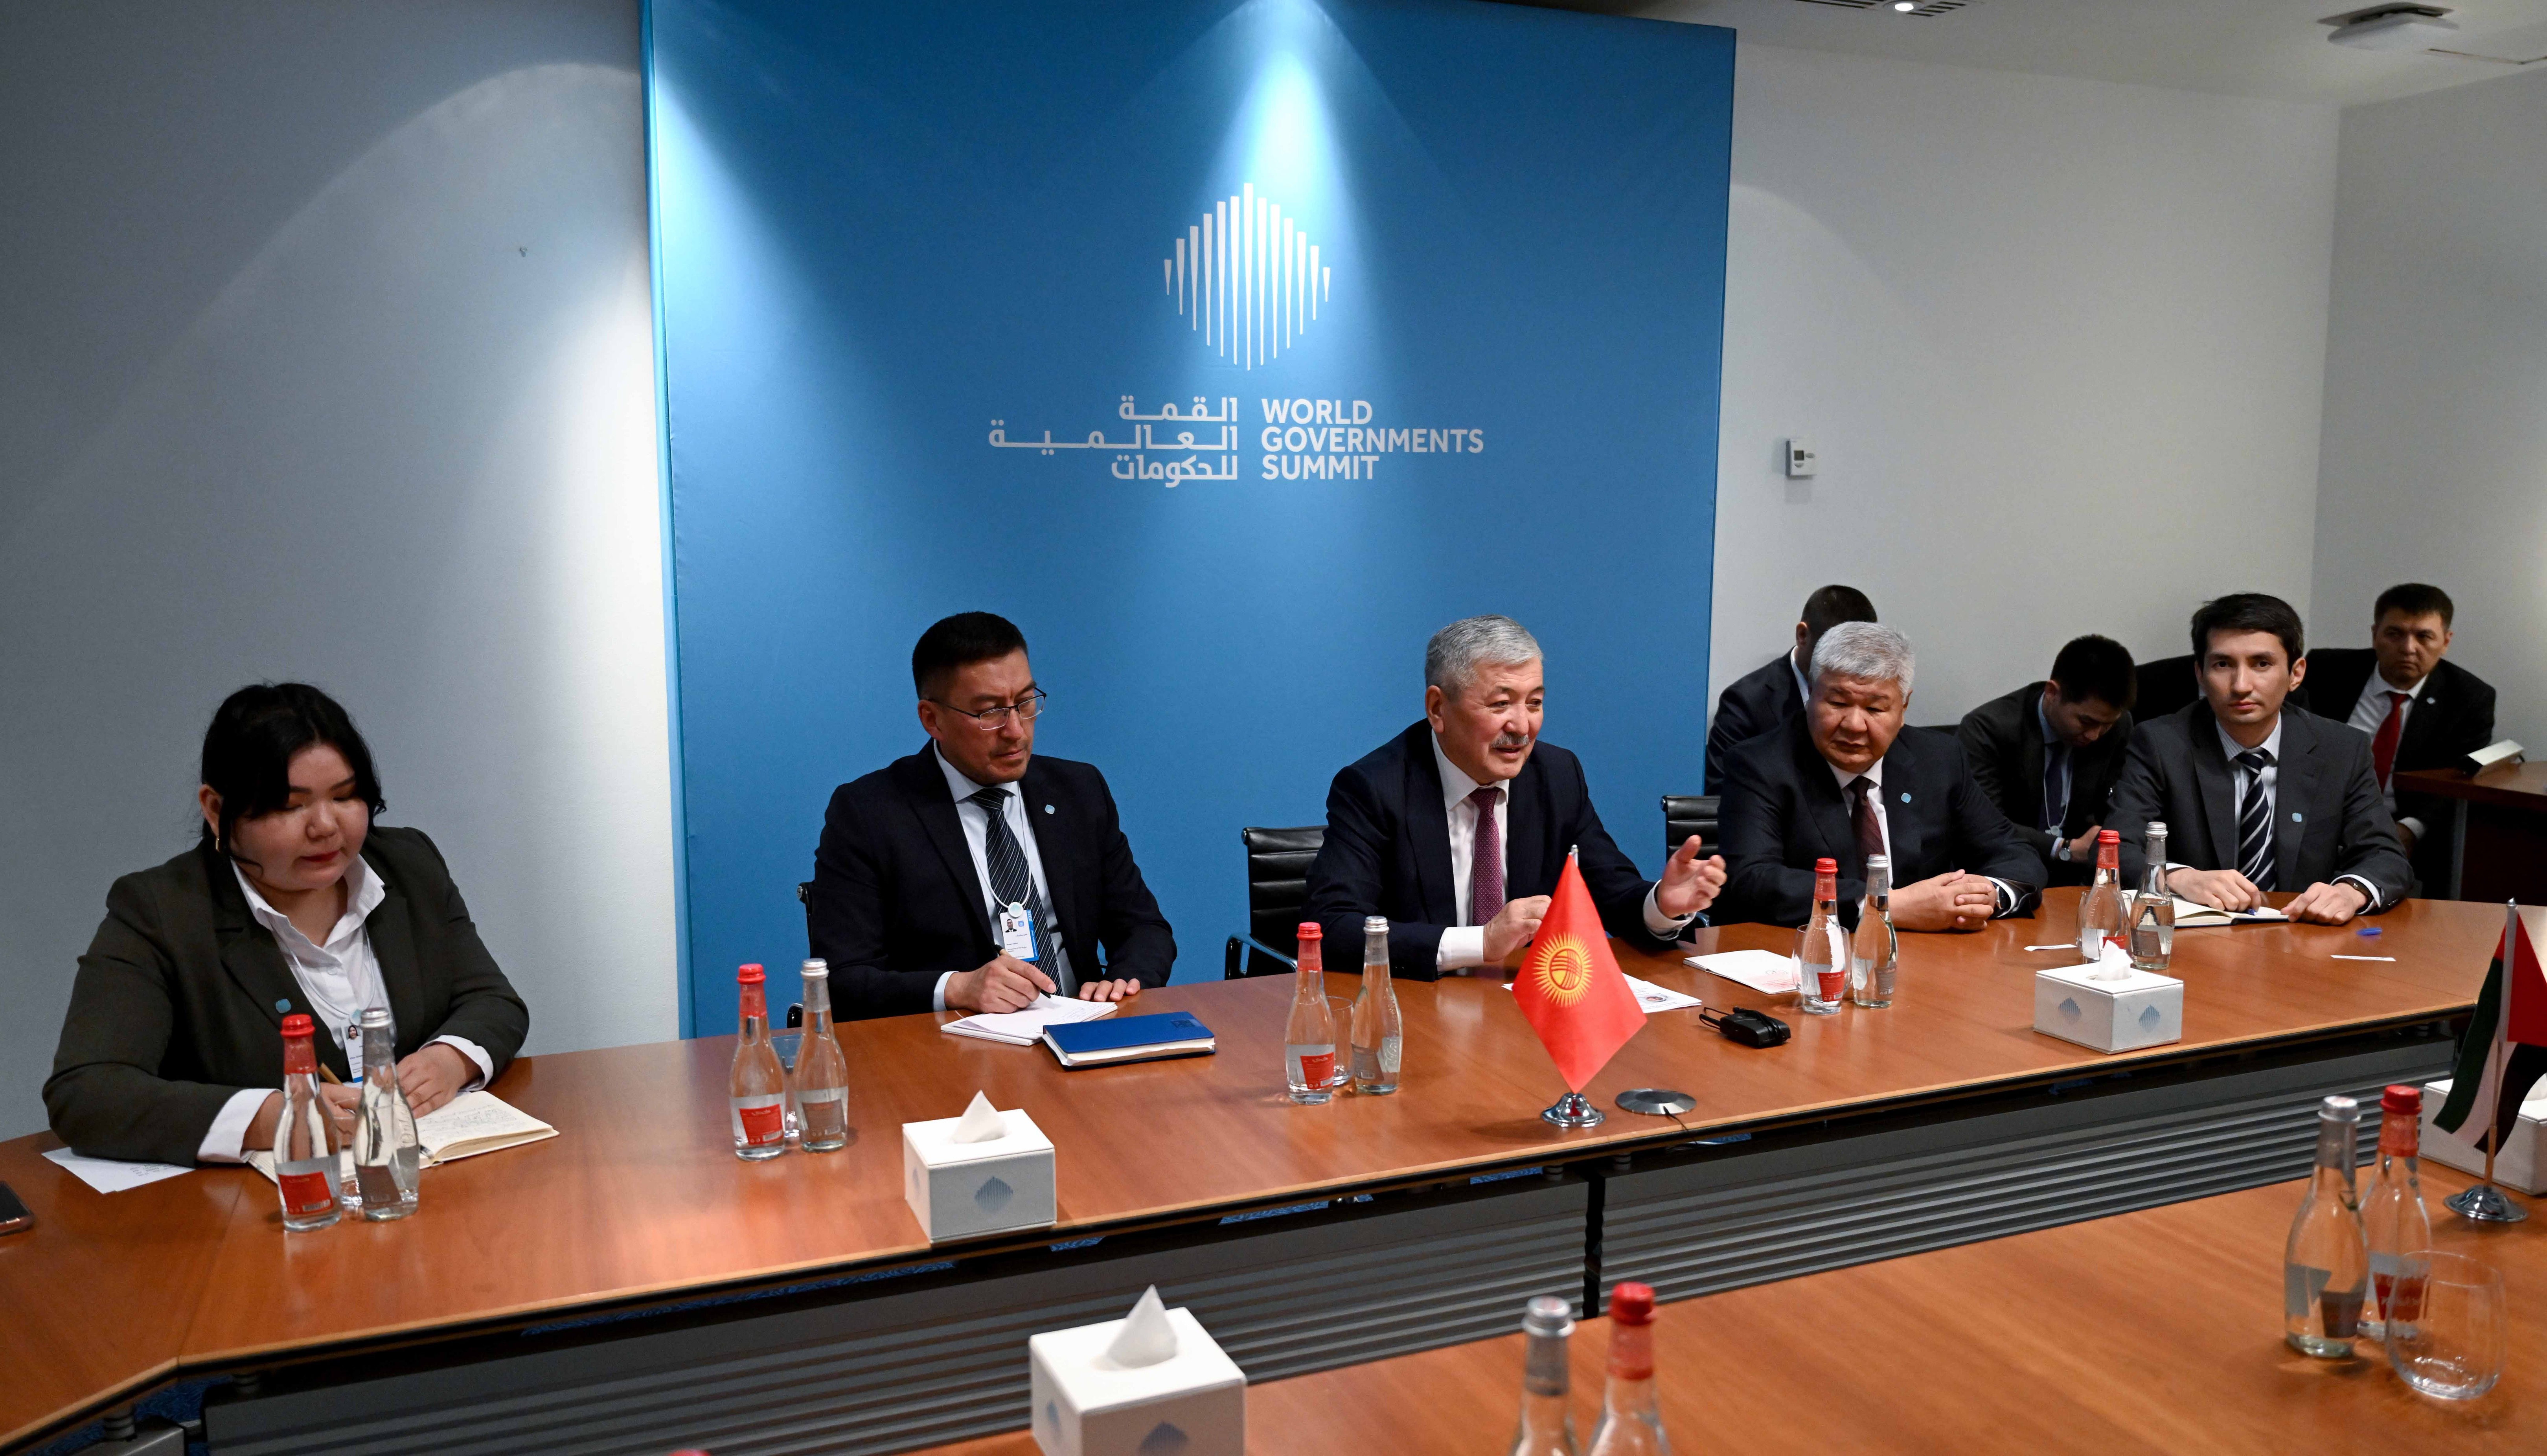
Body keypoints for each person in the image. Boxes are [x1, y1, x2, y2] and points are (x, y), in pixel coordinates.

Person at [46, 684, 529, 1167]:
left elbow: (492, 1000)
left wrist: (449, 1059)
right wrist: (271, 1117)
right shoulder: (161, 911)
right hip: (257, 1202)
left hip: (425, 1179)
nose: (325, 826)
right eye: (289, 805)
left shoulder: (408, 865)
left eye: (345, 796)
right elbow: (86, 1092)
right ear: (216, 809)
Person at [1303, 615, 1726, 980]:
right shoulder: (1374, 787)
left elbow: (1611, 890)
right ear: (1437, 709)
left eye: (1535, 703)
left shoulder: (1556, 775)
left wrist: (1661, 905)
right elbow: (1334, 927)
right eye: (1500, 704)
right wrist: (1482, 942)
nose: (1522, 727)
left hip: (1521, 1008)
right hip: (1421, 1008)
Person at [809, 612, 1175, 1018]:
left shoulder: (1079, 791)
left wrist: (1124, 981)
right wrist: (957, 987)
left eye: (1025, 703)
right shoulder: (869, 813)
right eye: (990, 713)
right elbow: (844, 978)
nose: (1016, 730)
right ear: (932, 719)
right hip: (951, 1042)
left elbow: (1143, 928)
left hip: (1082, 1027)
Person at [1718, 623, 2043, 930]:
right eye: (1837, 702)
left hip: (1929, 952)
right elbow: (1753, 879)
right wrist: (1883, 906)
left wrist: (1984, 897)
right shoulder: (1760, 765)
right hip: (1809, 951)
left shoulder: (1939, 758)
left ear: (1903, 707)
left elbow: (2013, 853)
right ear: (1811, 695)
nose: (1854, 725)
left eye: (1874, 709)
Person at [2107, 594, 2409, 923]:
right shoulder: (2160, 743)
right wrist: (2178, 877)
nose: (2240, 685)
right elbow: (2114, 848)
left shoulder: (2341, 749)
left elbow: (2385, 855)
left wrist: (2350, 891)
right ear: (2200, 674)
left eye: (2261, 664)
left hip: (2303, 933)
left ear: (2295, 674)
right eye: (2222, 665)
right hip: (2199, 935)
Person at [2304, 583, 2496, 891]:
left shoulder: (2469, 698)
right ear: (2375, 634)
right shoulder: (2325, 670)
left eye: (2423, 637)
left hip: (2406, 822)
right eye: (2394, 634)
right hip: (2318, 815)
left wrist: (2409, 829)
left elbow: (2457, 781)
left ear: (2445, 642)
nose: (2408, 648)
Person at [1957, 635, 2138, 887]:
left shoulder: (2118, 728)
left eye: (2106, 725)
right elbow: (1986, 825)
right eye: (2086, 722)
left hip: (2085, 877)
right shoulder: (1987, 730)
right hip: (2007, 871)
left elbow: (2117, 804)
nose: (2094, 735)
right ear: (2053, 693)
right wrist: (2065, 849)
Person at [1703, 585, 1877, 795]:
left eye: (1860, 656)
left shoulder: (1878, 698)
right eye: (1836, 655)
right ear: (1803, 635)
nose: (1847, 668)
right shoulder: (1746, 702)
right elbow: (1722, 796)